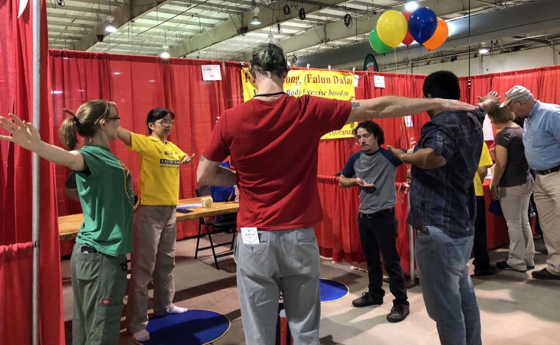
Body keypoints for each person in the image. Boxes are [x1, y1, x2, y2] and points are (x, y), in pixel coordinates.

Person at [196, 43, 477, 345]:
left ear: (252, 75)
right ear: (286, 73)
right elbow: (378, 106)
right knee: (305, 331)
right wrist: (439, 103)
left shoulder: (230, 119)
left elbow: (204, 175)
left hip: (253, 236)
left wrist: (243, 179)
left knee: (258, 334)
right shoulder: (307, 109)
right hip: (298, 238)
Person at [0, 100, 135, 345]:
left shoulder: (104, 157)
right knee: (101, 330)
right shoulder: (90, 155)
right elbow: (70, 158)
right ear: (104, 123)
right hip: (101, 255)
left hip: (94, 253)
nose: (119, 123)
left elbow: (72, 190)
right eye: (117, 119)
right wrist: (38, 146)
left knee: (87, 327)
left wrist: (111, 203)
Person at [389, 71, 499, 345]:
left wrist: (404, 156)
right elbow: (482, 109)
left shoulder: (441, 124)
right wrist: (485, 103)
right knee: (464, 299)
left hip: (438, 228)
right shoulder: (472, 116)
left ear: (429, 97)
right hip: (461, 225)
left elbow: (434, 156)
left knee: (447, 310)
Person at [117, 107, 194, 342]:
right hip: (149, 211)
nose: (168, 125)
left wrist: (187, 158)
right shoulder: (146, 143)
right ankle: (136, 323)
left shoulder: (171, 147)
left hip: (171, 211)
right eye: (163, 121)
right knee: (142, 269)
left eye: (171, 121)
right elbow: (120, 132)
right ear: (151, 125)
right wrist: (104, 120)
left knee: (166, 263)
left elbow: (184, 157)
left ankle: (164, 305)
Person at [339, 120, 409, 322]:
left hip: (384, 218)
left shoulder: (388, 156)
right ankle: (375, 294)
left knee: (391, 262)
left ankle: (401, 303)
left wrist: (400, 150)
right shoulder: (355, 158)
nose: (362, 140)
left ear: (376, 136)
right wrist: (355, 181)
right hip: (364, 217)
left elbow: (414, 154)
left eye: (366, 135)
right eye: (358, 137)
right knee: (372, 261)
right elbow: (343, 180)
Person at [500, 85, 560, 280]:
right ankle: (556, 265)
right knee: (549, 225)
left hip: (557, 175)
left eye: (511, 106)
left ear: (520, 102)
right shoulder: (528, 119)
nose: (511, 111)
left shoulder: (551, 114)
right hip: (540, 177)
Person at [487, 105, 535, 272]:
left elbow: (500, 163)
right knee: (523, 221)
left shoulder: (503, 135)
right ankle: (528, 257)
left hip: (512, 183)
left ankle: (516, 260)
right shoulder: (520, 130)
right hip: (526, 179)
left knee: (513, 223)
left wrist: (494, 183)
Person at [472, 142, 496, 276]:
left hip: (453, 193)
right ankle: (481, 265)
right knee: (478, 229)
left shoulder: (446, 137)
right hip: (474, 191)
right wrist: (478, 181)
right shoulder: (478, 141)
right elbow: (482, 170)